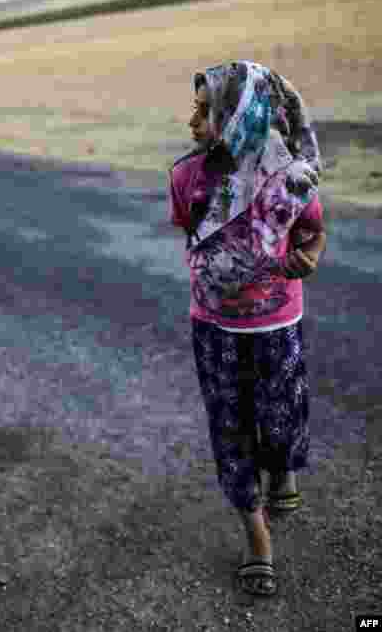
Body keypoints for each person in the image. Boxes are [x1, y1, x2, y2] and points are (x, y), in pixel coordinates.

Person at [169, 61, 327, 597]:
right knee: (230, 430)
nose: (192, 120)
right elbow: (195, 245)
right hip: (213, 328)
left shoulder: (287, 176)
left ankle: (283, 469)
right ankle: (257, 537)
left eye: (204, 109)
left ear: (238, 115)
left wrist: (308, 256)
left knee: (282, 424)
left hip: (277, 325)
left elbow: (312, 232)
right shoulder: (185, 176)